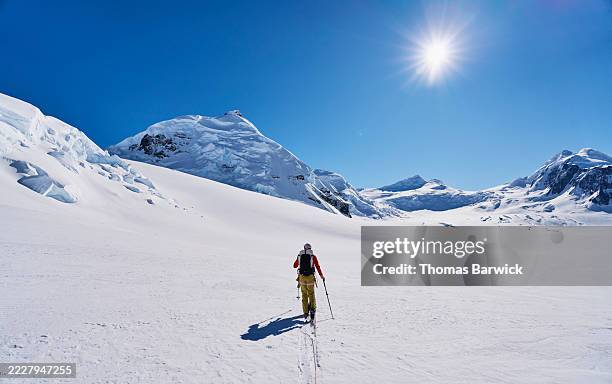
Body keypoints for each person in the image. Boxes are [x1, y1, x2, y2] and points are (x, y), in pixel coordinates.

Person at [293, 243, 325, 321]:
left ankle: (305, 312)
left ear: (304, 248)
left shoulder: (299, 256)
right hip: (310, 277)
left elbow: (294, 266)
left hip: (301, 277)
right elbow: (317, 266)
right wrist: (321, 276)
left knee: (304, 294)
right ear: (310, 249)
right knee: (311, 293)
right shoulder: (313, 256)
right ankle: (313, 310)